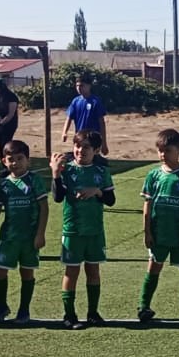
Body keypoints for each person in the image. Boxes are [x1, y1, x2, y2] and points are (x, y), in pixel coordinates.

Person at [0, 139, 48, 323]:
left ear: (28, 160)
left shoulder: (34, 180)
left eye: (20, 158)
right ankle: (1, 307)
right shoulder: (4, 184)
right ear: (4, 161)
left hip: (29, 238)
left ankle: (24, 310)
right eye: (11, 159)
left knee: (27, 273)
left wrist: (40, 234)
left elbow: (43, 207)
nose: (15, 163)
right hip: (8, 237)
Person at [51, 129, 114, 330]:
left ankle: (93, 313)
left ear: (96, 150)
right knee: (71, 272)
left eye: (86, 147)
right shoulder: (67, 170)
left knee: (93, 271)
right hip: (73, 231)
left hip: (95, 231)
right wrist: (55, 174)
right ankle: (69, 315)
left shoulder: (101, 172)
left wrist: (97, 192)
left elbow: (111, 200)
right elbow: (58, 197)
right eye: (77, 146)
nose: (80, 150)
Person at [138, 129, 179, 324]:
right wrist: (147, 231)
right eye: (160, 150)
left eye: (168, 150)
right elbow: (147, 205)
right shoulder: (153, 176)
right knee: (154, 266)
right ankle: (143, 306)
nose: (163, 155)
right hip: (159, 233)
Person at [61, 73, 108, 156]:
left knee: (93, 159)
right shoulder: (75, 101)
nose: (79, 88)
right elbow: (69, 118)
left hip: (93, 138)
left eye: (82, 85)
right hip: (80, 136)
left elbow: (101, 123)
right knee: (80, 156)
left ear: (89, 86)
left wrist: (104, 143)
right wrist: (64, 132)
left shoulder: (95, 101)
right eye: (77, 86)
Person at [0, 77, 20, 164]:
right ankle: (4, 164)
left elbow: (10, 114)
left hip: (9, 125)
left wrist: (1, 123)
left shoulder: (11, 97)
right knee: (0, 144)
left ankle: (8, 164)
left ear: (2, 87)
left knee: (6, 144)